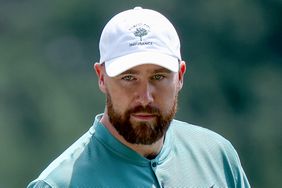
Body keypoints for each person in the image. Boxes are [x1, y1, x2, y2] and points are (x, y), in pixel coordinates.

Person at [27, 7, 250, 188]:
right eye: (129, 77)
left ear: (180, 76)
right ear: (102, 77)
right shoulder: (58, 184)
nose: (145, 97)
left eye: (159, 76)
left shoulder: (217, 156)